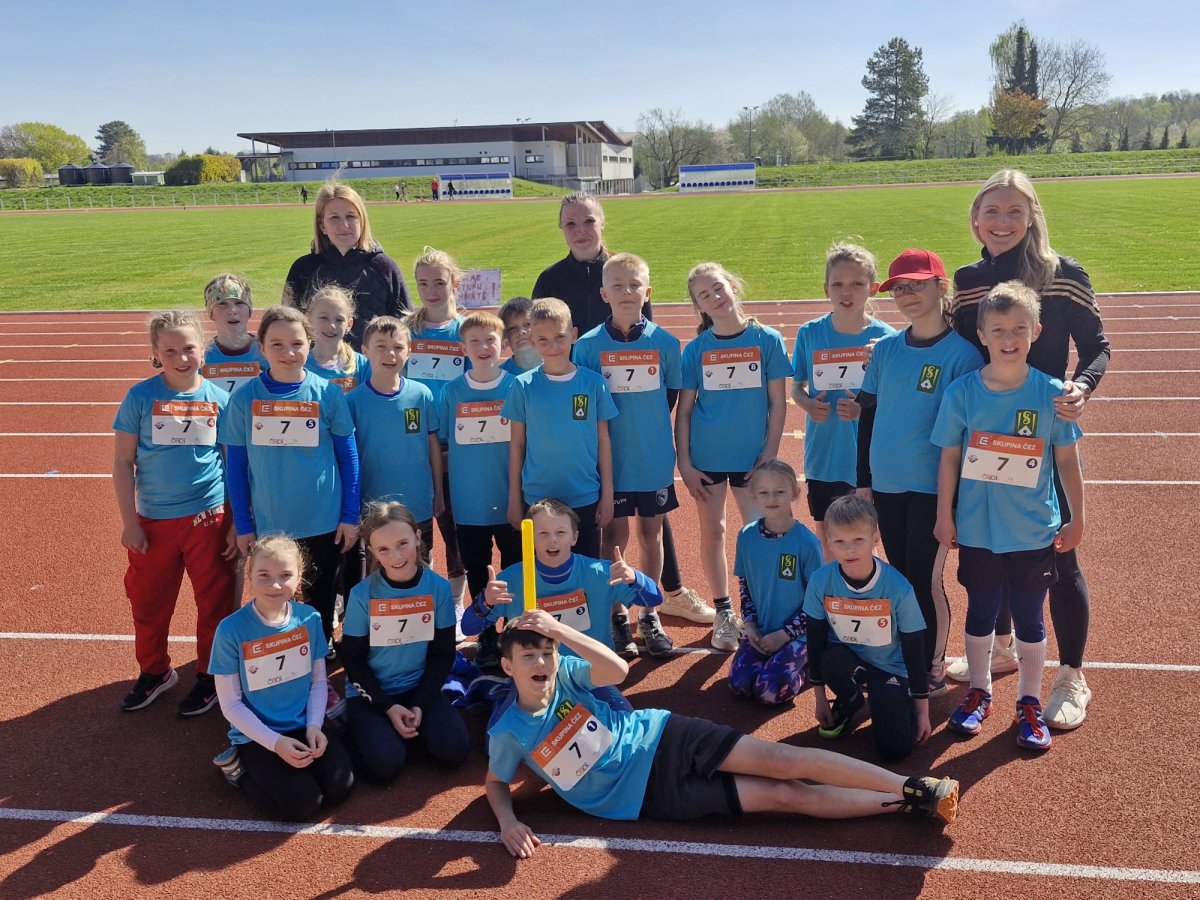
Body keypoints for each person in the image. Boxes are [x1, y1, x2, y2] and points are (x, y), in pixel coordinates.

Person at [485, 611, 959, 858]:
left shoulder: (567, 673)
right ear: (508, 667)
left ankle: (913, 785)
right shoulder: (508, 731)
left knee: (783, 761)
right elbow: (495, 782)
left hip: (662, 737)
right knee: (785, 796)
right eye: (529, 657)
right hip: (649, 797)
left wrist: (559, 631)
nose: (541, 662)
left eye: (546, 653)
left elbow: (616, 670)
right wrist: (507, 822)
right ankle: (907, 803)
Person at [946, 169, 1109, 732]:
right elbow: (955, 351)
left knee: (1060, 555)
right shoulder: (968, 281)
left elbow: (1097, 347)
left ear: (1033, 215)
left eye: (1015, 210)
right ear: (975, 219)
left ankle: (1071, 674)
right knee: (990, 547)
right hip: (985, 443)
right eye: (992, 211)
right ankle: (1002, 648)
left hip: (1044, 436)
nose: (1003, 222)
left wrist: (1080, 387)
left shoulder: (1063, 274)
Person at [531, 193, 707, 627]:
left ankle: (660, 602)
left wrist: (644, 417)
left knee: (652, 526)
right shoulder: (551, 281)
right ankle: (609, 609)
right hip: (594, 436)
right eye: (571, 223)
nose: (580, 230)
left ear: (602, 222)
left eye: (588, 221)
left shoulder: (627, 274)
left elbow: (666, 386)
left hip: (645, 442)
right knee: (610, 528)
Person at [932, 282, 1086, 752]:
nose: (1009, 338)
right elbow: (949, 459)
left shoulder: (1051, 394)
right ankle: (980, 692)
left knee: (1029, 616)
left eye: (1019, 328)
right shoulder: (962, 392)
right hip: (978, 529)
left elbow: (1067, 460)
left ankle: (1029, 701)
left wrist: (1077, 518)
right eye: (997, 329)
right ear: (981, 334)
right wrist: (944, 515)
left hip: (1032, 530)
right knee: (980, 610)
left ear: (1036, 331)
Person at [855, 250, 984, 696]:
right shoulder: (886, 349)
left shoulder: (963, 355)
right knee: (900, 574)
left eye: (917, 285)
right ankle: (907, 656)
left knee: (924, 579)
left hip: (933, 488)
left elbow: (966, 432)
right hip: (886, 483)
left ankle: (931, 664)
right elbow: (868, 415)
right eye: (899, 288)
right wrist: (864, 481)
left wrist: (955, 501)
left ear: (941, 287)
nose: (907, 294)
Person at [113, 310, 237, 716]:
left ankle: (209, 676)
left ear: (203, 348)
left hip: (208, 518)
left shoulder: (220, 400)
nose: (181, 358)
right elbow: (122, 463)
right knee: (148, 602)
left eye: (188, 348)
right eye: (170, 351)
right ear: (155, 353)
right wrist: (130, 522)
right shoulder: (140, 398)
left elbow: (235, 466)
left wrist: (236, 522)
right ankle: (155, 671)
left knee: (214, 602)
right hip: (153, 522)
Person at [221, 305, 361, 646]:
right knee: (275, 597)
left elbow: (349, 458)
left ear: (309, 344)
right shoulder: (244, 399)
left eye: (297, 343)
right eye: (277, 344)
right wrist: (244, 523)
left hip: (323, 520)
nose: (288, 352)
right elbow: (235, 466)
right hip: (271, 521)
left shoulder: (327, 394)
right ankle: (284, 657)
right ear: (262, 348)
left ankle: (320, 651)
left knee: (321, 597)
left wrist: (350, 515)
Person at [676, 263, 791, 651]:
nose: (714, 297)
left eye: (718, 287)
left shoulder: (767, 339)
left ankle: (759, 609)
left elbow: (778, 403)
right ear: (699, 306)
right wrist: (685, 463)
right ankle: (724, 612)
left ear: (733, 286)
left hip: (752, 460)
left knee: (757, 534)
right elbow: (685, 411)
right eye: (704, 295)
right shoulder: (696, 350)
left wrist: (769, 455)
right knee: (714, 532)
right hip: (706, 457)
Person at [461, 498, 664, 714]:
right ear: (529, 538)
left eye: (560, 532)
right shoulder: (511, 580)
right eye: (543, 533)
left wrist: (636, 579)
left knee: (622, 724)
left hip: (590, 677)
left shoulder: (600, 573)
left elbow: (653, 599)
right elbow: (468, 627)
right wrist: (485, 602)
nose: (552, 540)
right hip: (535, 682)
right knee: (505, 731)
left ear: (574, 537)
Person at [574, 253, 679, 659]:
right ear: (604, 294)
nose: (627, 292)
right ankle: (617, 614)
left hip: (652, 459)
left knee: (652, 535)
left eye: (635, 285)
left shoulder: (665, 343)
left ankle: (649, 614)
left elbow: (670, 397)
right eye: (617, 285)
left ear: (647, 291)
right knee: (614, 537)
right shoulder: (587, 347)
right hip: (610, 464)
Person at [209, 535, 355, 821]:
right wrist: (275, 743)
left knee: (340, 787)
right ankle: (238, 770)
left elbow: (317, 682)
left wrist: (314, 727)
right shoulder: (230, 630)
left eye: (285, 575)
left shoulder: (310, 618)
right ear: (249, 575)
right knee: (303, 805)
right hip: (256, 734)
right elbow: (231, 705)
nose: (275, 585)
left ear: (299, 576)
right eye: (264, 575)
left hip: (303, 724)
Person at [339, 502, 469, 782]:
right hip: (373, 694)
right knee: (385, 768)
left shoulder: (439, 588)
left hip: (418, 688)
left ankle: (402, 733)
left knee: (456, 751)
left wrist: (420, 703)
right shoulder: (362, 594)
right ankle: (364, 732)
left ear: (418, 538)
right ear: (372, 551)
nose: (396, 556)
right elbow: (352, 659)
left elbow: (443, 654)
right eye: (383, 549)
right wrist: (387, 706)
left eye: (402, 544)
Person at [804, 496, 932, 762]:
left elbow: (913, 646)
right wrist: (819, 698)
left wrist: (922, 710)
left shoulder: (898, 587)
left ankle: (895, 700)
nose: (849, 550)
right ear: (828, 541)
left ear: (875, 538)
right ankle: (852, 701)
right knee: (830, 660)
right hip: (846, 660)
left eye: (858, 540)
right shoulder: (820, 581)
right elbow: (814, 639)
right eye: (840, 541)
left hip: (889, 667)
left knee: (895, 751)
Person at [791, 243, 896, 559]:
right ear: (826, 289)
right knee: (828, 536)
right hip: (824, 455)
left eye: (856, 284)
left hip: (868, 459)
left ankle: (865, 588)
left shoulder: (887, 338)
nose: (846, 292)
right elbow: (797, 387)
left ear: (873, 288)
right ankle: (832, 587)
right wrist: (808, 405)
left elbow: (895, 400)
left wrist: (863, 409)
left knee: (865, 537)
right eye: (837, 284)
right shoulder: (810, 333)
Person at [503, 298, 616, 559]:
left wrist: (607, 494)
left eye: (560, 337)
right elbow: (517, 444)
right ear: (532, 340)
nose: (552, 347)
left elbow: (603, 440)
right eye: (543, 340)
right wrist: (514, 498)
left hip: (585, 495)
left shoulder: (593, 383)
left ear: (574, 335)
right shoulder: (522, 386)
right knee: (542, 570)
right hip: (537, 497)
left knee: (586, 568)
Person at [438, 311, 521, 671]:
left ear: (503, 345)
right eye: (475, 341)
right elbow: (443, 443)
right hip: (469, 501)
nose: (483, 347)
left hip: (510, 499)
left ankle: (513, 627)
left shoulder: (516, 386)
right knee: (476, 568)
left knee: (514, 567)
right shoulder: (451, 392)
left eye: (490, 340)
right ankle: (486, 631)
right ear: (463, 348)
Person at [347, 316, 442, 558]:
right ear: (365, 351)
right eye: (381, 346)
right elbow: (348, 457)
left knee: (420, 563)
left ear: (409, 352)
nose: (390, 354)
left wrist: (439, 492)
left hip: (418, 502)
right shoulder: (353, 401)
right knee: (379, 566)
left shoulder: (421, 395)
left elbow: (432, 446)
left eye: (398, 347)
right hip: (373, 506)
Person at [729, 460, 823, 705]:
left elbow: (817, 602)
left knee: (769, 693)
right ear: (753, 496)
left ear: (794, 493)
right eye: (764, 492)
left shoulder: (807, 543)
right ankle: (777, 663)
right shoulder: (746, 536)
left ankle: (807, 668)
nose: (772, 498)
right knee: (740, 686)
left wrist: (785, 634)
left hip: (799, 635)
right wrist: (750, 626)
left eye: (780, 491)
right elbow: (745, 586)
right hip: (762, 631)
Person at [405, 247, 469, 603]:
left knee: (455, 532)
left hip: (455, 450)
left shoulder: (466, 331)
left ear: (455, 284)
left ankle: (456, 605)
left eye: (439, 282)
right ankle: (422, 598)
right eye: (423, 283)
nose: (431, 290)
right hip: (413, 448)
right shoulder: (406, 332)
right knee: (417, 532)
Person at [283, 182, 411, 350]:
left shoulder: (385, 268)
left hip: (373, 365)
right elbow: (287, 327)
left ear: (362, 221)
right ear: (322, 226)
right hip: (317, 365)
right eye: (334, 218)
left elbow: (404, 327)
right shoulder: (303, 269)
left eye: (350, 216)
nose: (344, 225)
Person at [201, 273, 265, 396]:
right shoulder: (200, 358)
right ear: (211, 313)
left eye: (239, 303)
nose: (232, 311)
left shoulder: (270, 352)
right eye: (222, 304)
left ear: (249, 311)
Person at [304, 285, 371, 393]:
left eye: (339, 320)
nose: (331, 325)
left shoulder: (362, 365)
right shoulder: (300, 363)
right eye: (324, 318)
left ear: (349, 324)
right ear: (308, 318)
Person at [499, 296, 540, 375]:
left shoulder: (558, 368)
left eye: (528, 324)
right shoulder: (500, 376)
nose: (521, 332)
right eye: (512, 328)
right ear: (505, 337)